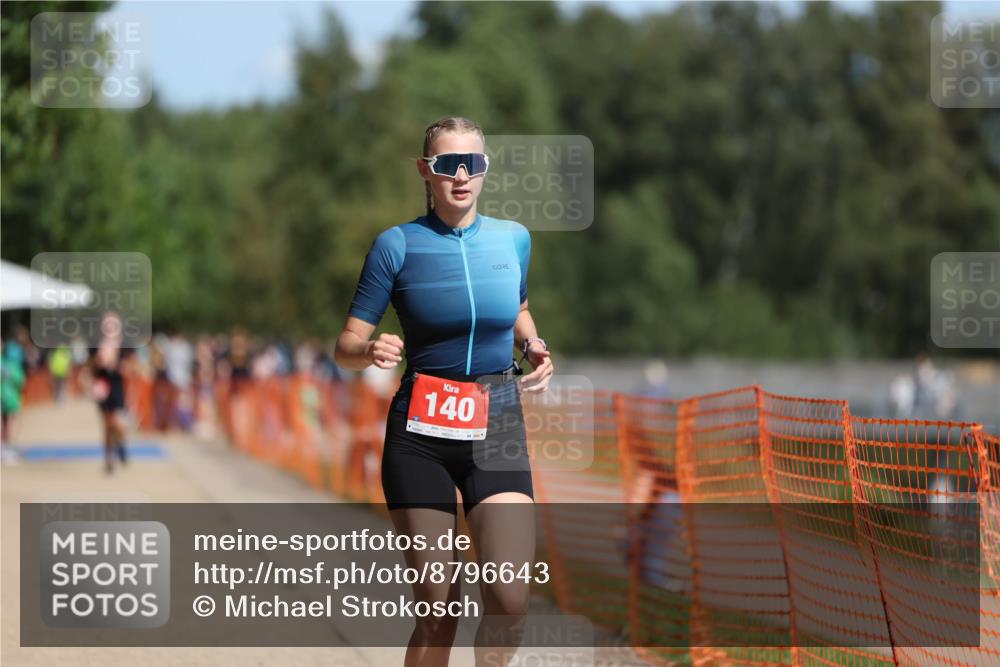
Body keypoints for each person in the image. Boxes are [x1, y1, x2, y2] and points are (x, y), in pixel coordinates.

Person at [334, 116, 554, 667]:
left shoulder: (513, 239)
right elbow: (345, 346)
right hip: (421, 434)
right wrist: (369, 350)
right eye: (448, 164)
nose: (461, 176)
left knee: (509, 598)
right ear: (425, 171)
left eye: (472, 164)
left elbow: (519, 309)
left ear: (485, 170)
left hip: (497, 423)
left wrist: (532, 344)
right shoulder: (396, 245)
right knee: (439, 607)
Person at [91, 311, 130, 474]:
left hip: (117, 387)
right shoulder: (97, 345)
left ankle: (120, 444)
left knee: (116, 423)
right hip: (103, 387)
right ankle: (108, 458)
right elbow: (91, 367)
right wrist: (99, 361)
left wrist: (116, 365)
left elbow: (130, 367)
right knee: (106, 424)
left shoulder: (124, 346)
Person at [1, 338, 27, 463]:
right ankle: (7, 448)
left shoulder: (7, 363)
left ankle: (6, 448)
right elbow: (21, 381)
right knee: (10, 423)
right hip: (10, 398)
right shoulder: (12, 365)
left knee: (6, 423)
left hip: (8, 397)